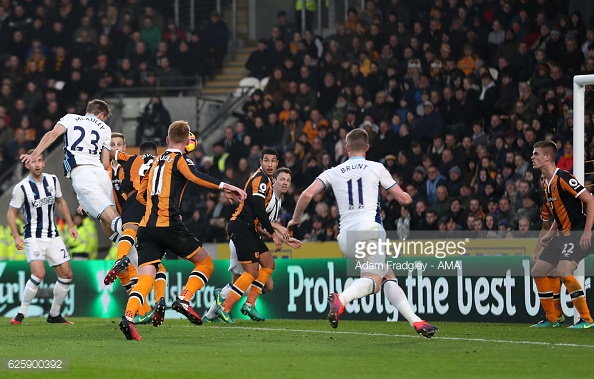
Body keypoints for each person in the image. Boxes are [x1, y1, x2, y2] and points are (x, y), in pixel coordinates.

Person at [287, 129, 438, 337]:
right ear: (367, 147)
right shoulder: (376, 167)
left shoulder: (334, 171)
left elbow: (307, 194)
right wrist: (408, 197)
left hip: (345, 239)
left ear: (347, 148)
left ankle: (417, 321)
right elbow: (403, 199)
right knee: (375, 281)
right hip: (369, 232)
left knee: (387, 277)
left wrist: (295, 219)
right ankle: (342, 299)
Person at [118, 120, 246, 340]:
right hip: (168, 224)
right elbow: (196, 176)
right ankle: (184, 298)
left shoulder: (156, 160)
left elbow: (140, 195)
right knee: (205, 263)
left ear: (167, 140)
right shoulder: (180, 160)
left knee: (146, 275)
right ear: (187, 141)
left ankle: (128, 317)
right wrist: (225, 186)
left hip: (146, 227)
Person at [204, 167, 301, 322]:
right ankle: (226, 298)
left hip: (249, 237)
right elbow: (258, 222)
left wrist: (285, 238)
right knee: (253, 280)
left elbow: (263, 227)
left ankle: (213, 310)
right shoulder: (266, 197)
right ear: (274, 180)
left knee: (264, 284)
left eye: (288, 180)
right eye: (282, 179)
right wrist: (278, 233)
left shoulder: (277, 201)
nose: (285, 183)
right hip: (243, 236)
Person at [20, 99, 123, 241]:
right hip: (101, 175)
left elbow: (52, 135)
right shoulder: (105, 129)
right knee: (107, 220)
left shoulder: (71, 118)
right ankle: (132, 257)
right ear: (101, 115)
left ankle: (143, 243)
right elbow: (105, 163)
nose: (104, 121)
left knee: (113, 220)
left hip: (82, 172)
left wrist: (34, 154)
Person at [215, 148, 286, 323]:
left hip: (249, 229)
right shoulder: (261, 180)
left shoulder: (266, 181)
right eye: (267, 160)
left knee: (269, 264)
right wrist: (273, 234)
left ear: (277, 163)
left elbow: (258, 214)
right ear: (260, 162)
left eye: (273, 161)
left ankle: (249, 304)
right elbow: (259, 209)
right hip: (241, 227)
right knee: (252, 272)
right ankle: (224, 306)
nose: (270, 164)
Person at [8, 151, 78, 325]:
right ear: (27, 165)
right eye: (33, 162)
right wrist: (17, 236)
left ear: (44, 163)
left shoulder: (52, 180)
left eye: (40, 161)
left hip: (53, 235)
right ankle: (21, 313)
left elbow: (60, 201)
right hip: (33, 236)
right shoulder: (22, 187)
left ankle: (54, 314)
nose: (37, 165)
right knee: (39, 273)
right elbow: (11, 213)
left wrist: (70, 225)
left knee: (67, 274)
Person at [530, 140, 594, 328]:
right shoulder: (547, 183)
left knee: (564, 271)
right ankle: (553, 318)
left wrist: (587, 232)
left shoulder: (563, 177)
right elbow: (560, 213)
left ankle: (587, 320)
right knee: (539, 271)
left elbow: (590, 200)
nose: (532, 157)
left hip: (577, 233)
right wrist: (550, 234)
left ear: (547, 156)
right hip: (561, 236)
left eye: (536, 154)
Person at [104, 134, 167, 325]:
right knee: (152, 263)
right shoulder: (162, 163)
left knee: (132, 255)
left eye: (118, 145)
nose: (116, 148)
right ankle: (158, 301)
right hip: (154, 210)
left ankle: (143, 308)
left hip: (130, 211)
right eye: (112, 145)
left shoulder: (129, 160)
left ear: (126, 148)